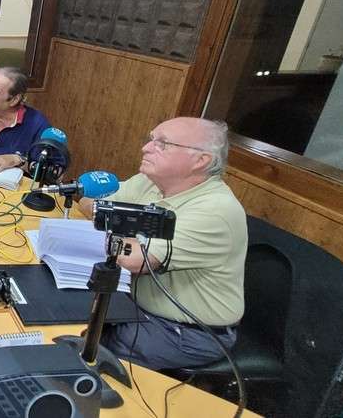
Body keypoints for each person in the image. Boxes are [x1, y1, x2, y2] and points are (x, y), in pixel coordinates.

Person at [78, 117, 247, 371]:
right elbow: (90, 204)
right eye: (151, 139)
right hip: (133, 303)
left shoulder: (216, 211)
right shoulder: (150, 181)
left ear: (201, 160)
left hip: (186, 331)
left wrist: (114, 224)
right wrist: (119, 227)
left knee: (85, 348)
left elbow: (135, 260)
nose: (146, 148)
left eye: (163, 144)